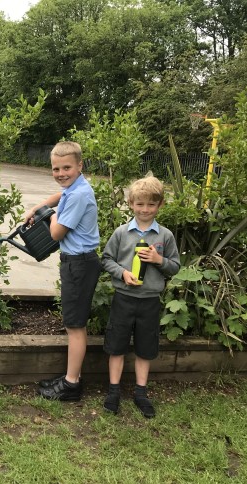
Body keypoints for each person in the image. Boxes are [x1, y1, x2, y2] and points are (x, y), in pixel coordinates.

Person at [24, 141, 101, 402]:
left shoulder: (78, 194)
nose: (60, 173)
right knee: (72, 322)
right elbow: (59, 196)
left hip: (79, 263)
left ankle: (71, 385)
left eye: (66, 167)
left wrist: (49, 214)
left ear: (80, 165)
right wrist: (39, 206)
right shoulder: (75, 187)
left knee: (75, 326)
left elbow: (56, 233)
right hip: (76, 262)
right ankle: (71, 377)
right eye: (56, 169)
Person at [101, 175, 180, 418]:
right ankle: (113, 391)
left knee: (146, 348)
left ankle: (140, 393)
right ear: (131, 204)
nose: (145, 209)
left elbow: (175, 266)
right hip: (124, 299)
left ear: (160, 205)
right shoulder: (122, 233)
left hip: (149, 301)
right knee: (117, 345)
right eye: (140, 204)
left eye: (151, 204)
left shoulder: (165, 236)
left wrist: (159, 260)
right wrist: (123, 273)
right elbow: (106, 259)